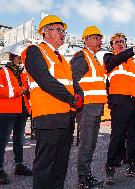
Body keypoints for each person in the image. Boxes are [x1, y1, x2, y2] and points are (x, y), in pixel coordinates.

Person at [22, 15, 83, 189]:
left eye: (64, 31)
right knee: (45, 166)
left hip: (66, 117)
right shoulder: (34, 51)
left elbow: (72, 83)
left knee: (60, 166)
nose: (63, 34)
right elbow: (45, 80)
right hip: (48, 117)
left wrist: (79, 95)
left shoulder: (61, 58)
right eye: (59, 30)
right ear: (46, 32)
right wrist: (72, 99)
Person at [104, 33, 135, 184]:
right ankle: (110, 168)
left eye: (122, 42)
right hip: (119, 102)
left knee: (132, 137)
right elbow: (117, 59)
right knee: (117, 136)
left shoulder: (133, 62)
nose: (120, 44)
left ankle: (131, 166)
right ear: (112, 45)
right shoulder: (109, 57)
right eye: (117, 42)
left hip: (133, 103)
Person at [70, 26, 106, 189]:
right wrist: (79, 101)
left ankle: (86, 175)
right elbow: (74, 81)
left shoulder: (94, 58)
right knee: (86, 144)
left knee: (91, 144)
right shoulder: (81, 56)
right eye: (97, 38)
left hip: (95, 108)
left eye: (100, 38)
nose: (100, 41)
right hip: (87, 108)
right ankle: (83, 178)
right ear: (87, 40)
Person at [0, 43, 32, 185]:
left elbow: (28, 90)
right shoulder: (2, 71)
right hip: (6, 111)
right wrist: (21, 91)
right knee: (2, 141)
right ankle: (0, 170)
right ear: (12, 57)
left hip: (22, 111)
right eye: (19, 58)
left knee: (19, 140)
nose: (21, 60)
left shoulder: (25, 73)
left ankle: (19, 165)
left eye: (22, 58)